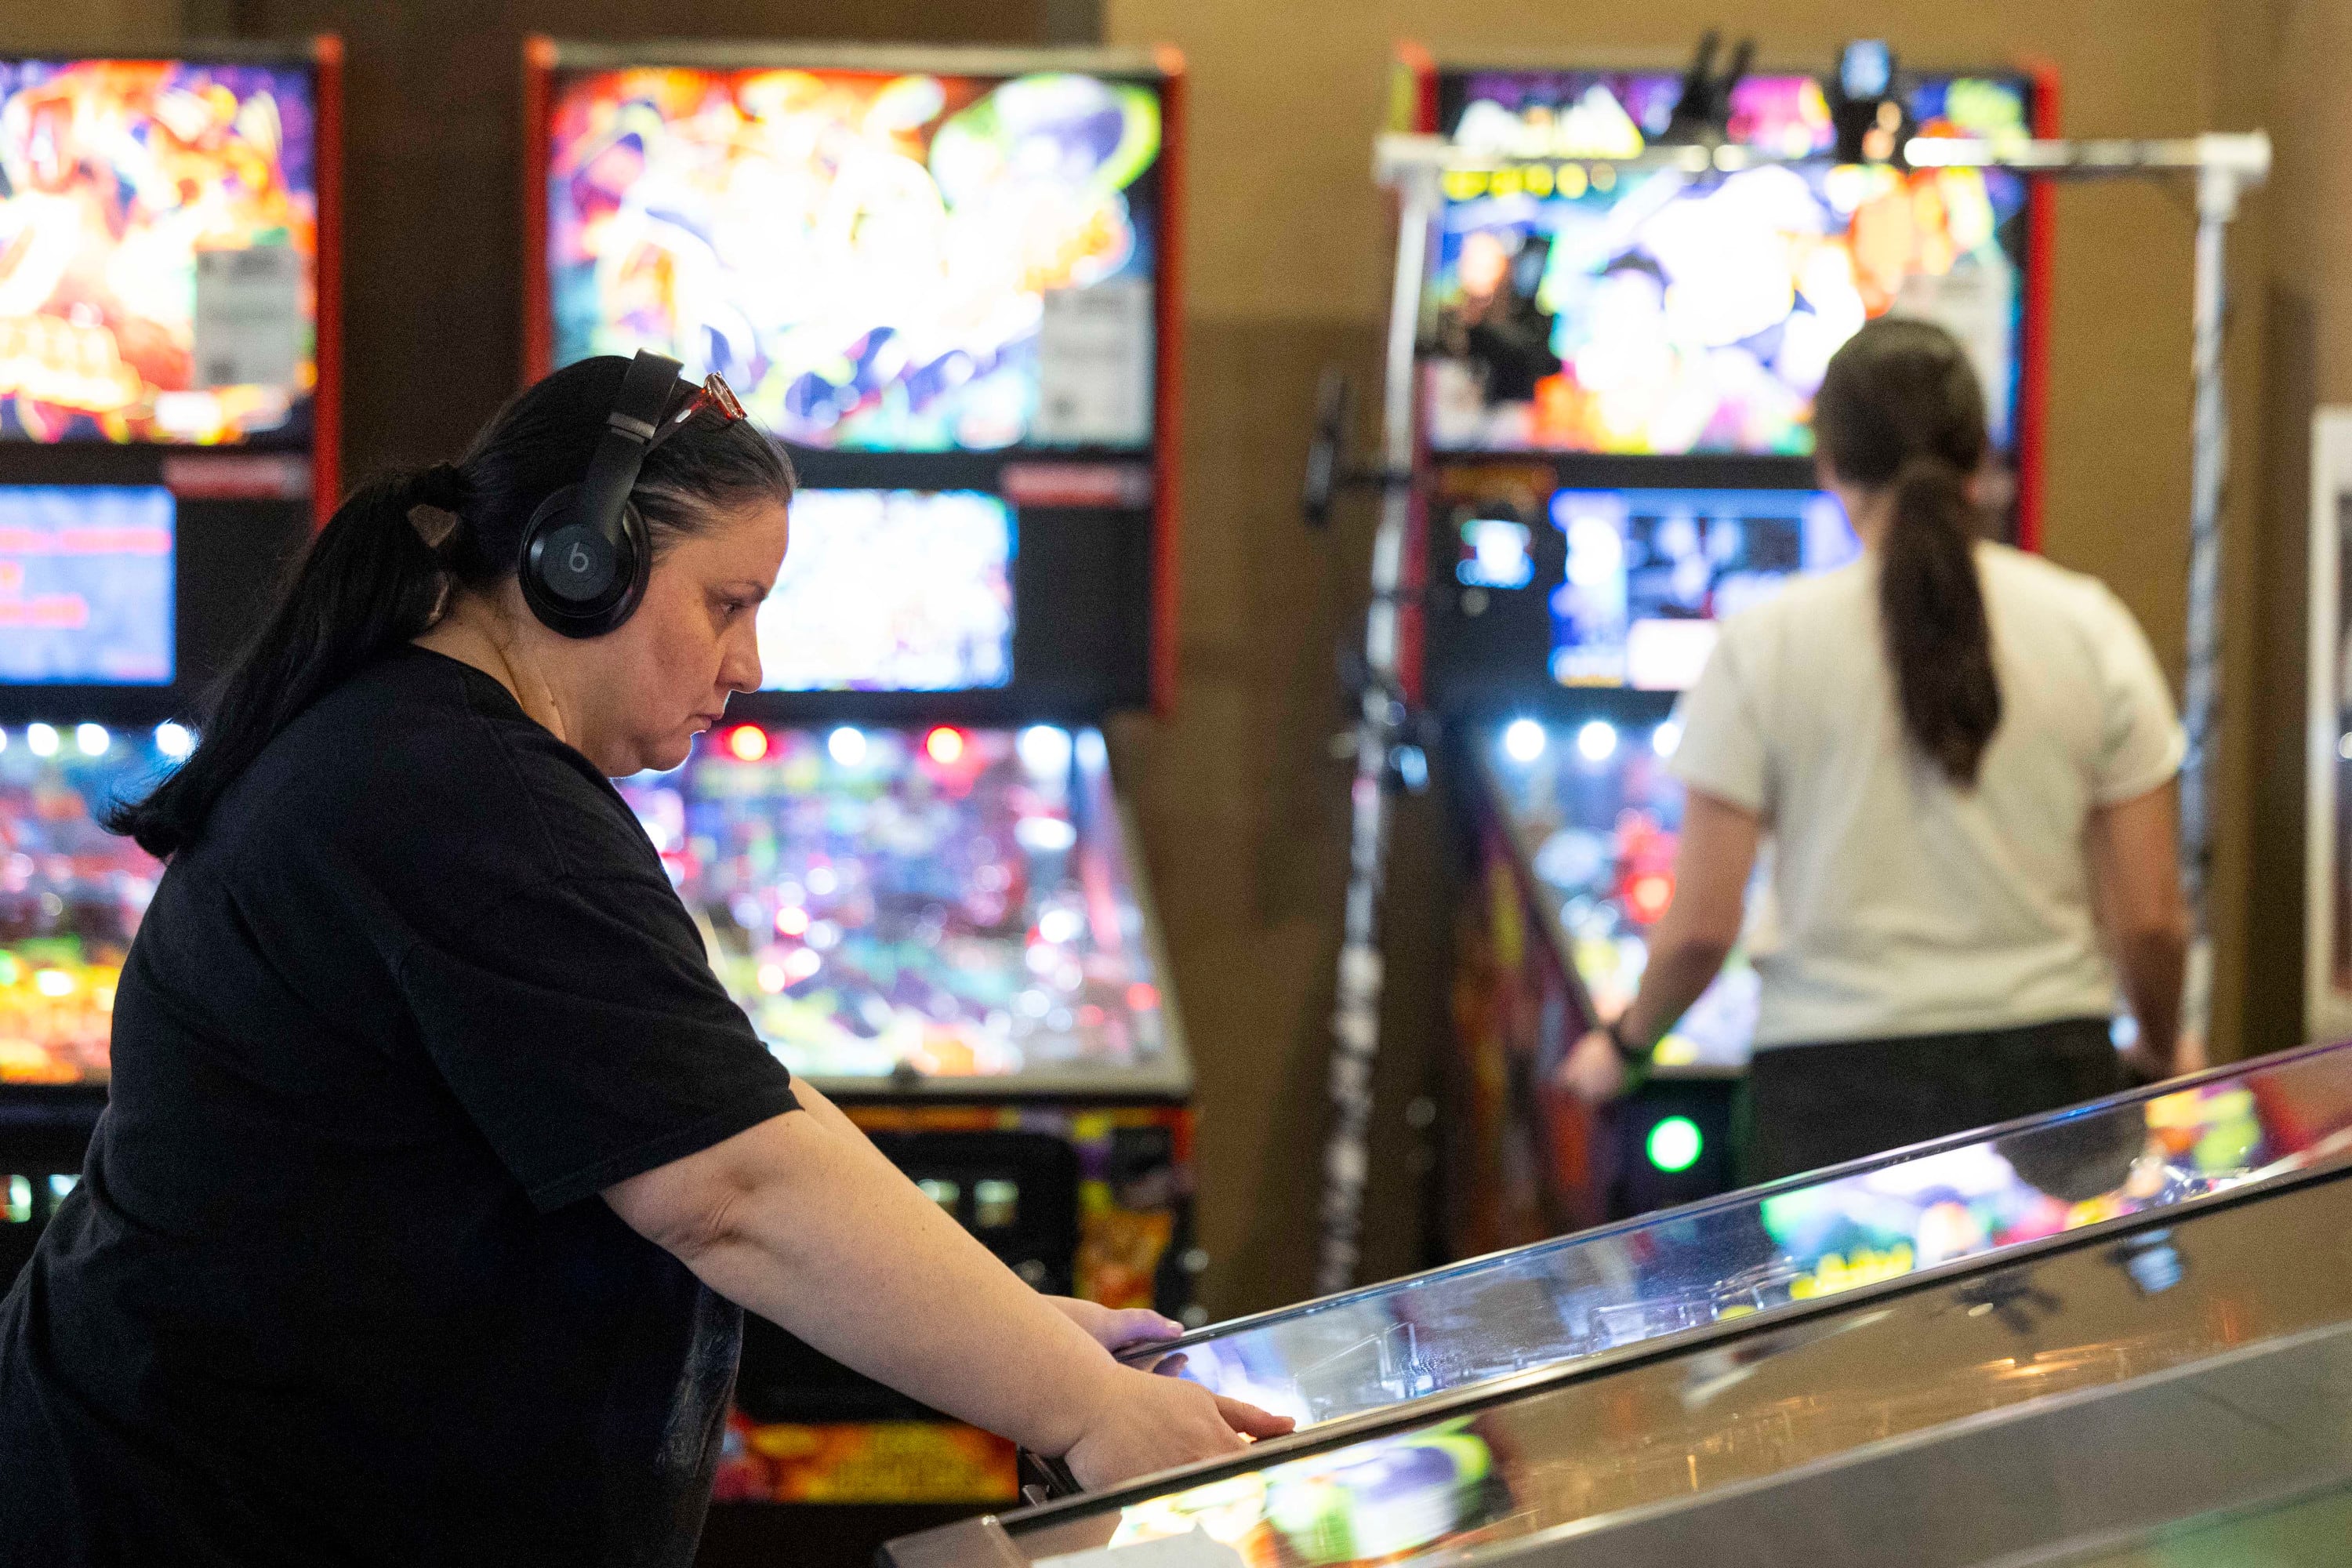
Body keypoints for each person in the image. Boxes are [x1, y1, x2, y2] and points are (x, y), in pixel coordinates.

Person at [0, 354, 1287, 1566]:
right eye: (727, 604)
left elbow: (720, 1104)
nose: (751, 664)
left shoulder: (433, 750)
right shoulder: (452, 794)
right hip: (205, 1514)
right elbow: (730, 1186)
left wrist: (1007, 1330)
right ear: (581, 563)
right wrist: (1085, 1411)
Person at [1558, 318, 2193, 1182]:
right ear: (1982, 460)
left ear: (1829, 465)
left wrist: (1625, 1046)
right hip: (2050, 1081)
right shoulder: (2092, 628)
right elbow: (2150, 921)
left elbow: (1701, 929)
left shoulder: (1762, 643)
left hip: (1826, 1096)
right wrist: (2159, 1047)